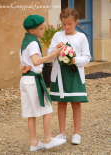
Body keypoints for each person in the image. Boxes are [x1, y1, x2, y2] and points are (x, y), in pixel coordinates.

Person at [19, 14, 66, 152]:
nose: (43, 30)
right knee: (47, 109)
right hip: (33, 80)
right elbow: (35, 61)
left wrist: (23, 68)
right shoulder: (33, 43)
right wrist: (54, 54)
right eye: (41, 29)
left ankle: (34, 143)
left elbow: (22, 64)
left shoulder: (25, 41)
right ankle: (48, 140)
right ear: (32, 31)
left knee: (30, 113)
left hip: (25, 79)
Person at [47, 8, 91, 145]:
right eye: (64, 24)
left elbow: (87, 57)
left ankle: (76, 133)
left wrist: (75, 60)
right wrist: (56, 49)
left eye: (69, 24)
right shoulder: (57, 36)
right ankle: (62, 133)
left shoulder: (81, 37)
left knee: (76, 103)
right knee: (61, 103)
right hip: (59, 74)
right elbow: (50, 55)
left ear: (76, 22)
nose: (66, 27)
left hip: (75, 75)